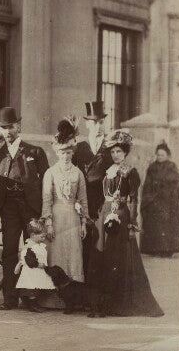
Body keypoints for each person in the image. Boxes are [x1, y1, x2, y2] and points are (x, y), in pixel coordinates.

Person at [0, 106, 49, 311]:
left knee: (33, 249)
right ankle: (10, 298)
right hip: (8, 206)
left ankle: (31, 297)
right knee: (10, 251)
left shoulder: (35, 151)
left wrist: (44, 211)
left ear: (19, 126)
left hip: (30, 205)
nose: (8, 131)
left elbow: (47, 181)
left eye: (11, 127)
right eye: (4, 127)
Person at [87, 130, 163, 317]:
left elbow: (134, 199)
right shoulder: (107, 171)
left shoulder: (130, 172)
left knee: (116, 257)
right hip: (104, 213)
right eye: (113, 152)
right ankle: (102, 302)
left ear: (125, 153)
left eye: (119, 152)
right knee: (102, 256)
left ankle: (118, 303)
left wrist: (131, 222)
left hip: (119, 214)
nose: (115, 155)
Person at [40, 118, 88, 308]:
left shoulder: (78, 173)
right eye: (62, 152)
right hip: (57, 218)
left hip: (73, 220)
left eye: (68, 152)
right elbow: (46, 200)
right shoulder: (50, 173)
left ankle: (73, 299)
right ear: (57, 153)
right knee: (56, 256)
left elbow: (83, 200)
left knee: (73, 256)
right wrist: (48, 223)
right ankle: (52, 298)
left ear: (72, 152)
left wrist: (84, 222)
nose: (65, 156)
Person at [72, 101, 112, 273]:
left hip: (103, 200)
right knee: (84, 242)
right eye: (94, 122)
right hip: (83, 199)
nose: (98, 126)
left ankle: (98, 288)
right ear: (88, 124)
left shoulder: (110, 148)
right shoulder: (79, 147)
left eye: (101, 122)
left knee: (101, 243)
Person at [140, 142, 179, 258]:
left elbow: (174, 182)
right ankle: (155, 248)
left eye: (162, 155)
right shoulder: (152, 167)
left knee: (167, 225)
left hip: (168, 201)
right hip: (155, 200)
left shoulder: (171, 166)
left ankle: (168, 249)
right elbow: (148, 184)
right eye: (158, 155)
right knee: (155, 225)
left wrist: (162, 184)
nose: (159, 157)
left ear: (167, 155)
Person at [14, 219, 56, 313]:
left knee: (36, 288)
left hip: (37, 272)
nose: (43, 239)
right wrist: (38, 264)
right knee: (32, 288)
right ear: (33, 235)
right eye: (41, 237)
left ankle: (33, 303)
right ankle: (32, 305)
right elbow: (29, 260)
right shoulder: (30, 247)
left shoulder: (38, 245)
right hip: (31, 271)